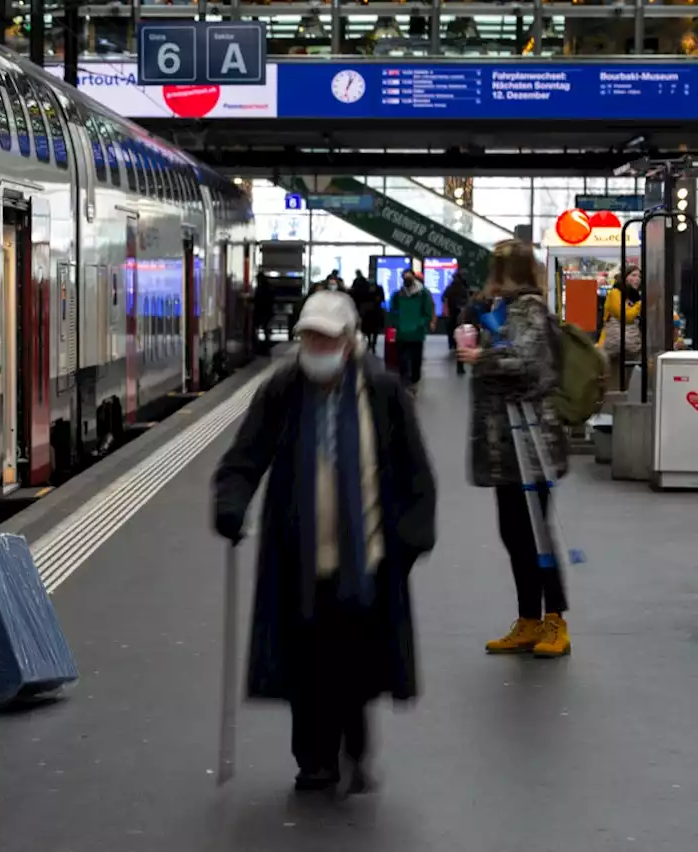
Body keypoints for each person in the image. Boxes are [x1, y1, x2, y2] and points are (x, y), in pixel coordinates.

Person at [212, 291, 437, 795]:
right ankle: (314, 760)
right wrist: (231, 501)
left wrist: (415, 535)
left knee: (355, 662)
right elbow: (247, 454)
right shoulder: (284, 388)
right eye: (308, 337)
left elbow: (414, 467)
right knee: (308, 661)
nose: (315, 347)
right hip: (300, 553)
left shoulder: (381, 390)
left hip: (369, 554)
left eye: (326, 338)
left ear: (350, 340)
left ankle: (355, 748)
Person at [458, 240, 571, 658]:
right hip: (507, 443)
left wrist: (480, 357)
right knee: (515, 534)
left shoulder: (529, 310)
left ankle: (554, 620)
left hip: (530, 443)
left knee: (535, 536)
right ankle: (528, 619)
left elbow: (527, 366)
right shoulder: (506, 310)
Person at [388, 269, 435, 393]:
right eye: (405, 278)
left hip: (416, 334)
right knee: (402, 360)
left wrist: (419, 323)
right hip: (401, 333)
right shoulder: (398, 295)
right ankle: (405, 383)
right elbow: (392, 312)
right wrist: (396, 324)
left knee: (416, 360)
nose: (407, 281)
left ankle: (414, 381)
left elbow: (427, 312)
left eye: (409, 278)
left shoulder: (423, 294)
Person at [597, 265, 642, 392]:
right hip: (614, 344)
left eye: (639, 276)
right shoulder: (615, 293)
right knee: (614, 382)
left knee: (626, 381)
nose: (637, 279)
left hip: (628, 346)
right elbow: (626, 316)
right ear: (625, 277)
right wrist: (639, 305)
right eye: (633, 275)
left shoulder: (634, 296)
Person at [350, 270, 386, 353]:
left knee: (374, 328)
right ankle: (370, 342)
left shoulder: (377, 288)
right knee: (369, 328)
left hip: (374, 310)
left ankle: (373, 343)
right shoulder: (365, 287)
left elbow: (382, 298)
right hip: (369, 311)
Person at [443, 273, 471, 375]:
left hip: (453, 313)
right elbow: (468, 300)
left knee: (452, 329)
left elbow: (445, 299)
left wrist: (445, 310)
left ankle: (453, 344)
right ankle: (460, 363)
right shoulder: (464, 288)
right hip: (461, 315)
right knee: (460, 334)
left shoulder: (450, 288)